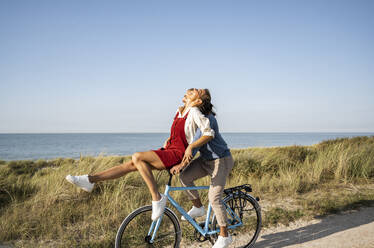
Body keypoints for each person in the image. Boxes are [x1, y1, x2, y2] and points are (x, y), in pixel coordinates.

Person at [65, 88, 214, 221]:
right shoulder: (179, 111)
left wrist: (191, 147)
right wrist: (168, 141)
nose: (192, 89)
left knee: (137, 157)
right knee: (131, 164)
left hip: (176, 154)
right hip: (168, 150)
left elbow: (208, 133)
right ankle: (90, 180)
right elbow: (179, 135)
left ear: (198, 100)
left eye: (196, 91)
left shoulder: (194, 112)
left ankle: (157, 198)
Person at [170, 89, 234, 248]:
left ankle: (224, 235)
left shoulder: (208, 119)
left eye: (197, 92)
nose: (192, 92)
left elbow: (196, 142)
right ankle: (198, 207)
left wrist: (183, 163)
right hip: (206, 160)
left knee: (214, 197)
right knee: (185, 177)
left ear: (200, 101)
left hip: (221, 160)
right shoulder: (193, 115)